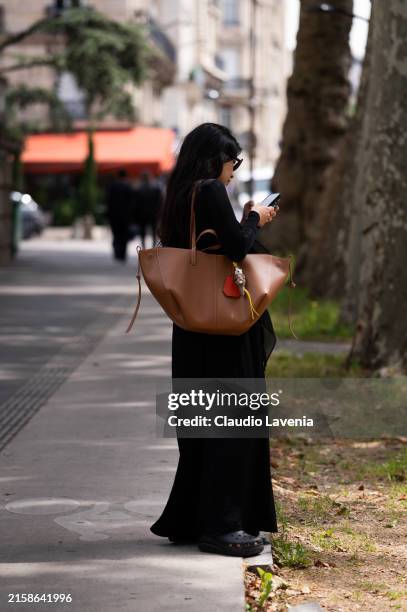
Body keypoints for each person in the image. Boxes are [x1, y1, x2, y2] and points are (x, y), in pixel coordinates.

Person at [150, 123, 280, 557]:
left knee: (200, 426)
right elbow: (237, 247)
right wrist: (253, 218)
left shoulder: (179, 192)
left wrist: (239, 219)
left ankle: (189, 519)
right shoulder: (208, 190)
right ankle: (223, 527)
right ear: (216, 158)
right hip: (223, 328)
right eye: (233, 162)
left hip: (191, 328)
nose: (233, 171)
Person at [106, 169, 134, 262]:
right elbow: (132, 203)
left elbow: (108, 201)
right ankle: (123, 254)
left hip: (114, 215)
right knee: (124, 235)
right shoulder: (128, 187)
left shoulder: (112, 186)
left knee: (116, 234)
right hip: (125, 216)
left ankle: (117, 253)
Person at [131, 171, 163, 248]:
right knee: (154, 232)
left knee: (143, 233)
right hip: (153, 214)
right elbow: (160, 202)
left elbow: (135, 204)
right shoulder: (156, 188)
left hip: (142, 214)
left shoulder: (138, 189)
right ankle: (153, 247)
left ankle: (144, 248)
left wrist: (135, 215)